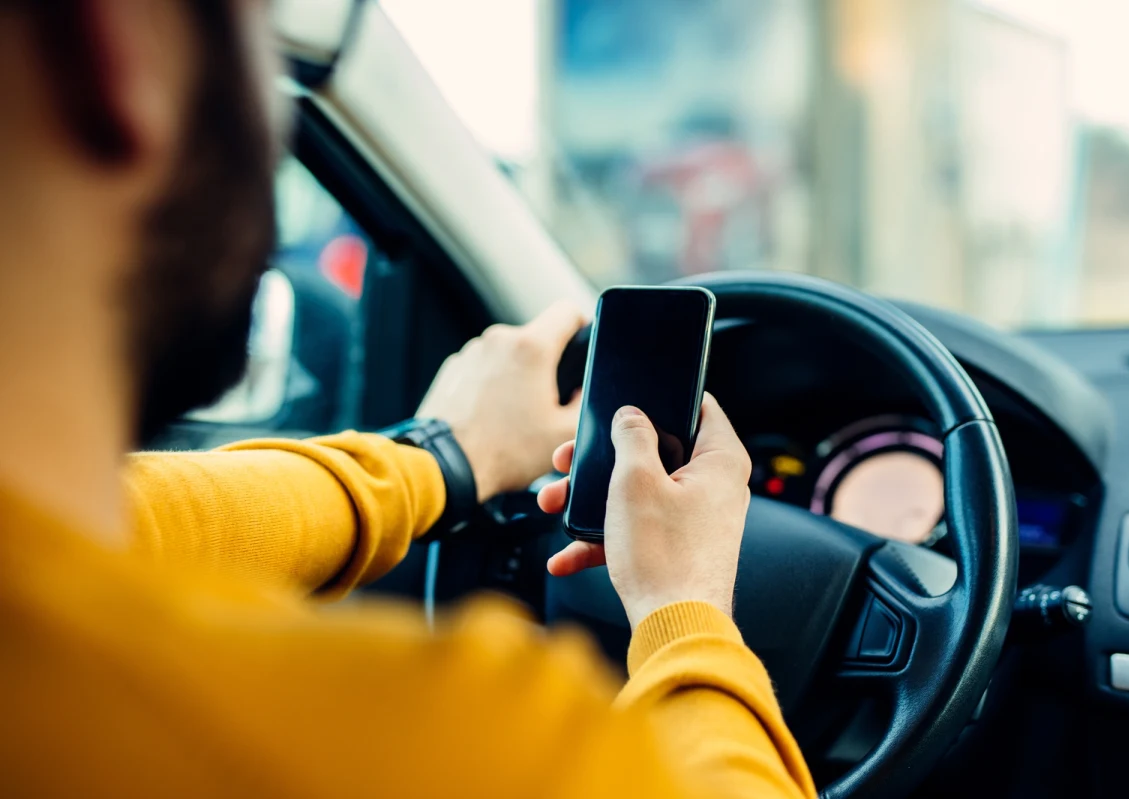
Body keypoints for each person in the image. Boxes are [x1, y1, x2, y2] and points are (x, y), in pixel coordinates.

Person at [0, 1, 817, 797]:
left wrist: (444, 455)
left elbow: (157, 522)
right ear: (122, 36)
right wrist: (686, 607)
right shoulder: (462, 745)